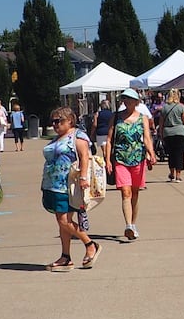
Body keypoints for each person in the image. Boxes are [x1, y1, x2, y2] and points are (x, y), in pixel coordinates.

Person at [41, 107, 101, 270]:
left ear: (70, 121)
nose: (54, 124)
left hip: (68, 185)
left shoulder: (78, 136)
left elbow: (84, 157)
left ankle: (90, 244)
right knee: (62, 222)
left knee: (64, 220)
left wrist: (83, 178)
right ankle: (65, 256)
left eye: (58, 121)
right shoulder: (57, 139)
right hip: (52, 185)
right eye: (52, 121)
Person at [106, 88, 156, 239]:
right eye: (124, 99)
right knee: (125, 192)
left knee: (135, 193)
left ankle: (133, 224)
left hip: (138, 159)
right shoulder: (116, 117)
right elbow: (109, 140)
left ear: (136, 102)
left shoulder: (143, 118)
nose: (126, 101)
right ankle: (128, 225)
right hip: (120, 159)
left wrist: (151, 154)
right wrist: (108, 160)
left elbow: (147, 138)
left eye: (130, 99)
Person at [160, 88, 184, 183]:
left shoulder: (164, 107)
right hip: (180, 131)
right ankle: (178, 176)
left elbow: (161, 123)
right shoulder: (181, 107)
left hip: (168, 132)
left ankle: (171, 173)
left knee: (171, 154)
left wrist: (161, 134)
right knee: (180, 154)